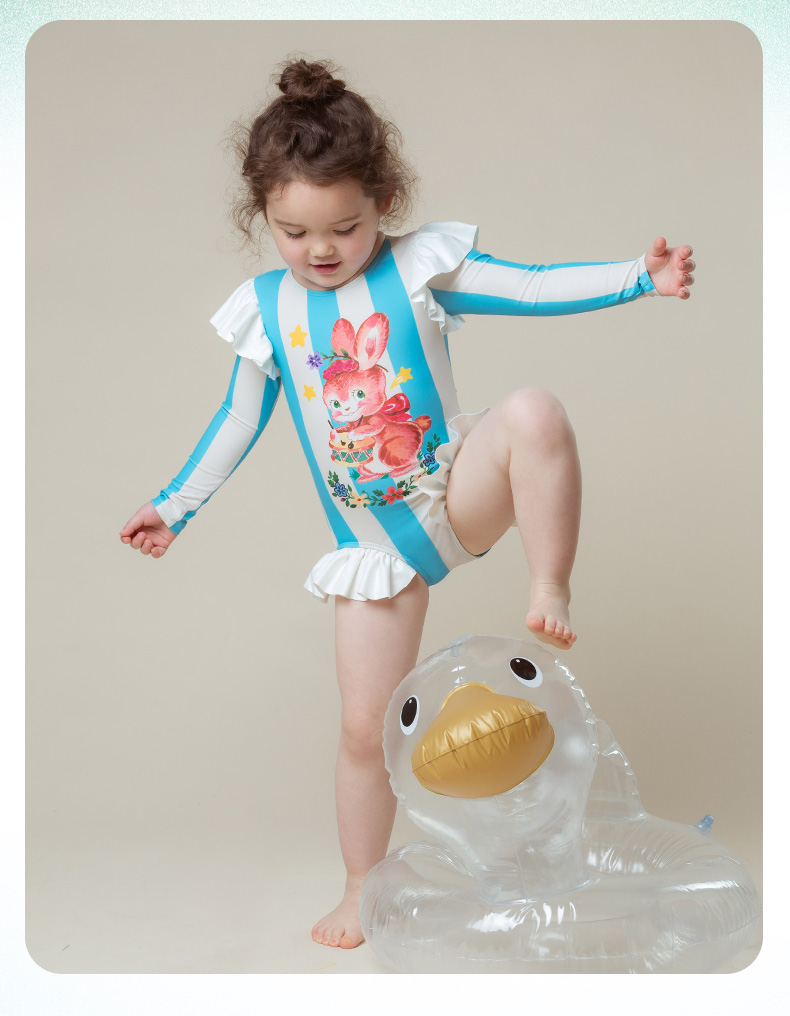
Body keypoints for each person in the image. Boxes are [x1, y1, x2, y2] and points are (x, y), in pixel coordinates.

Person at [119, 58, 695, 951]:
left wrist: (637, 276)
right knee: (364, 729)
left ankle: (549, 582)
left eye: (344, 227)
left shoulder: (419, 269)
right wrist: (173, 507)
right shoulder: (267, 310)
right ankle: (361, 885)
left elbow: (531, 285)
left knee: (535, 411)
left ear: (383, 201)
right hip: (375, 546)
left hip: (456, 494)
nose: (320, 250)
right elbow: (237, 419)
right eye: (293, 232)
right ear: (262, 216)